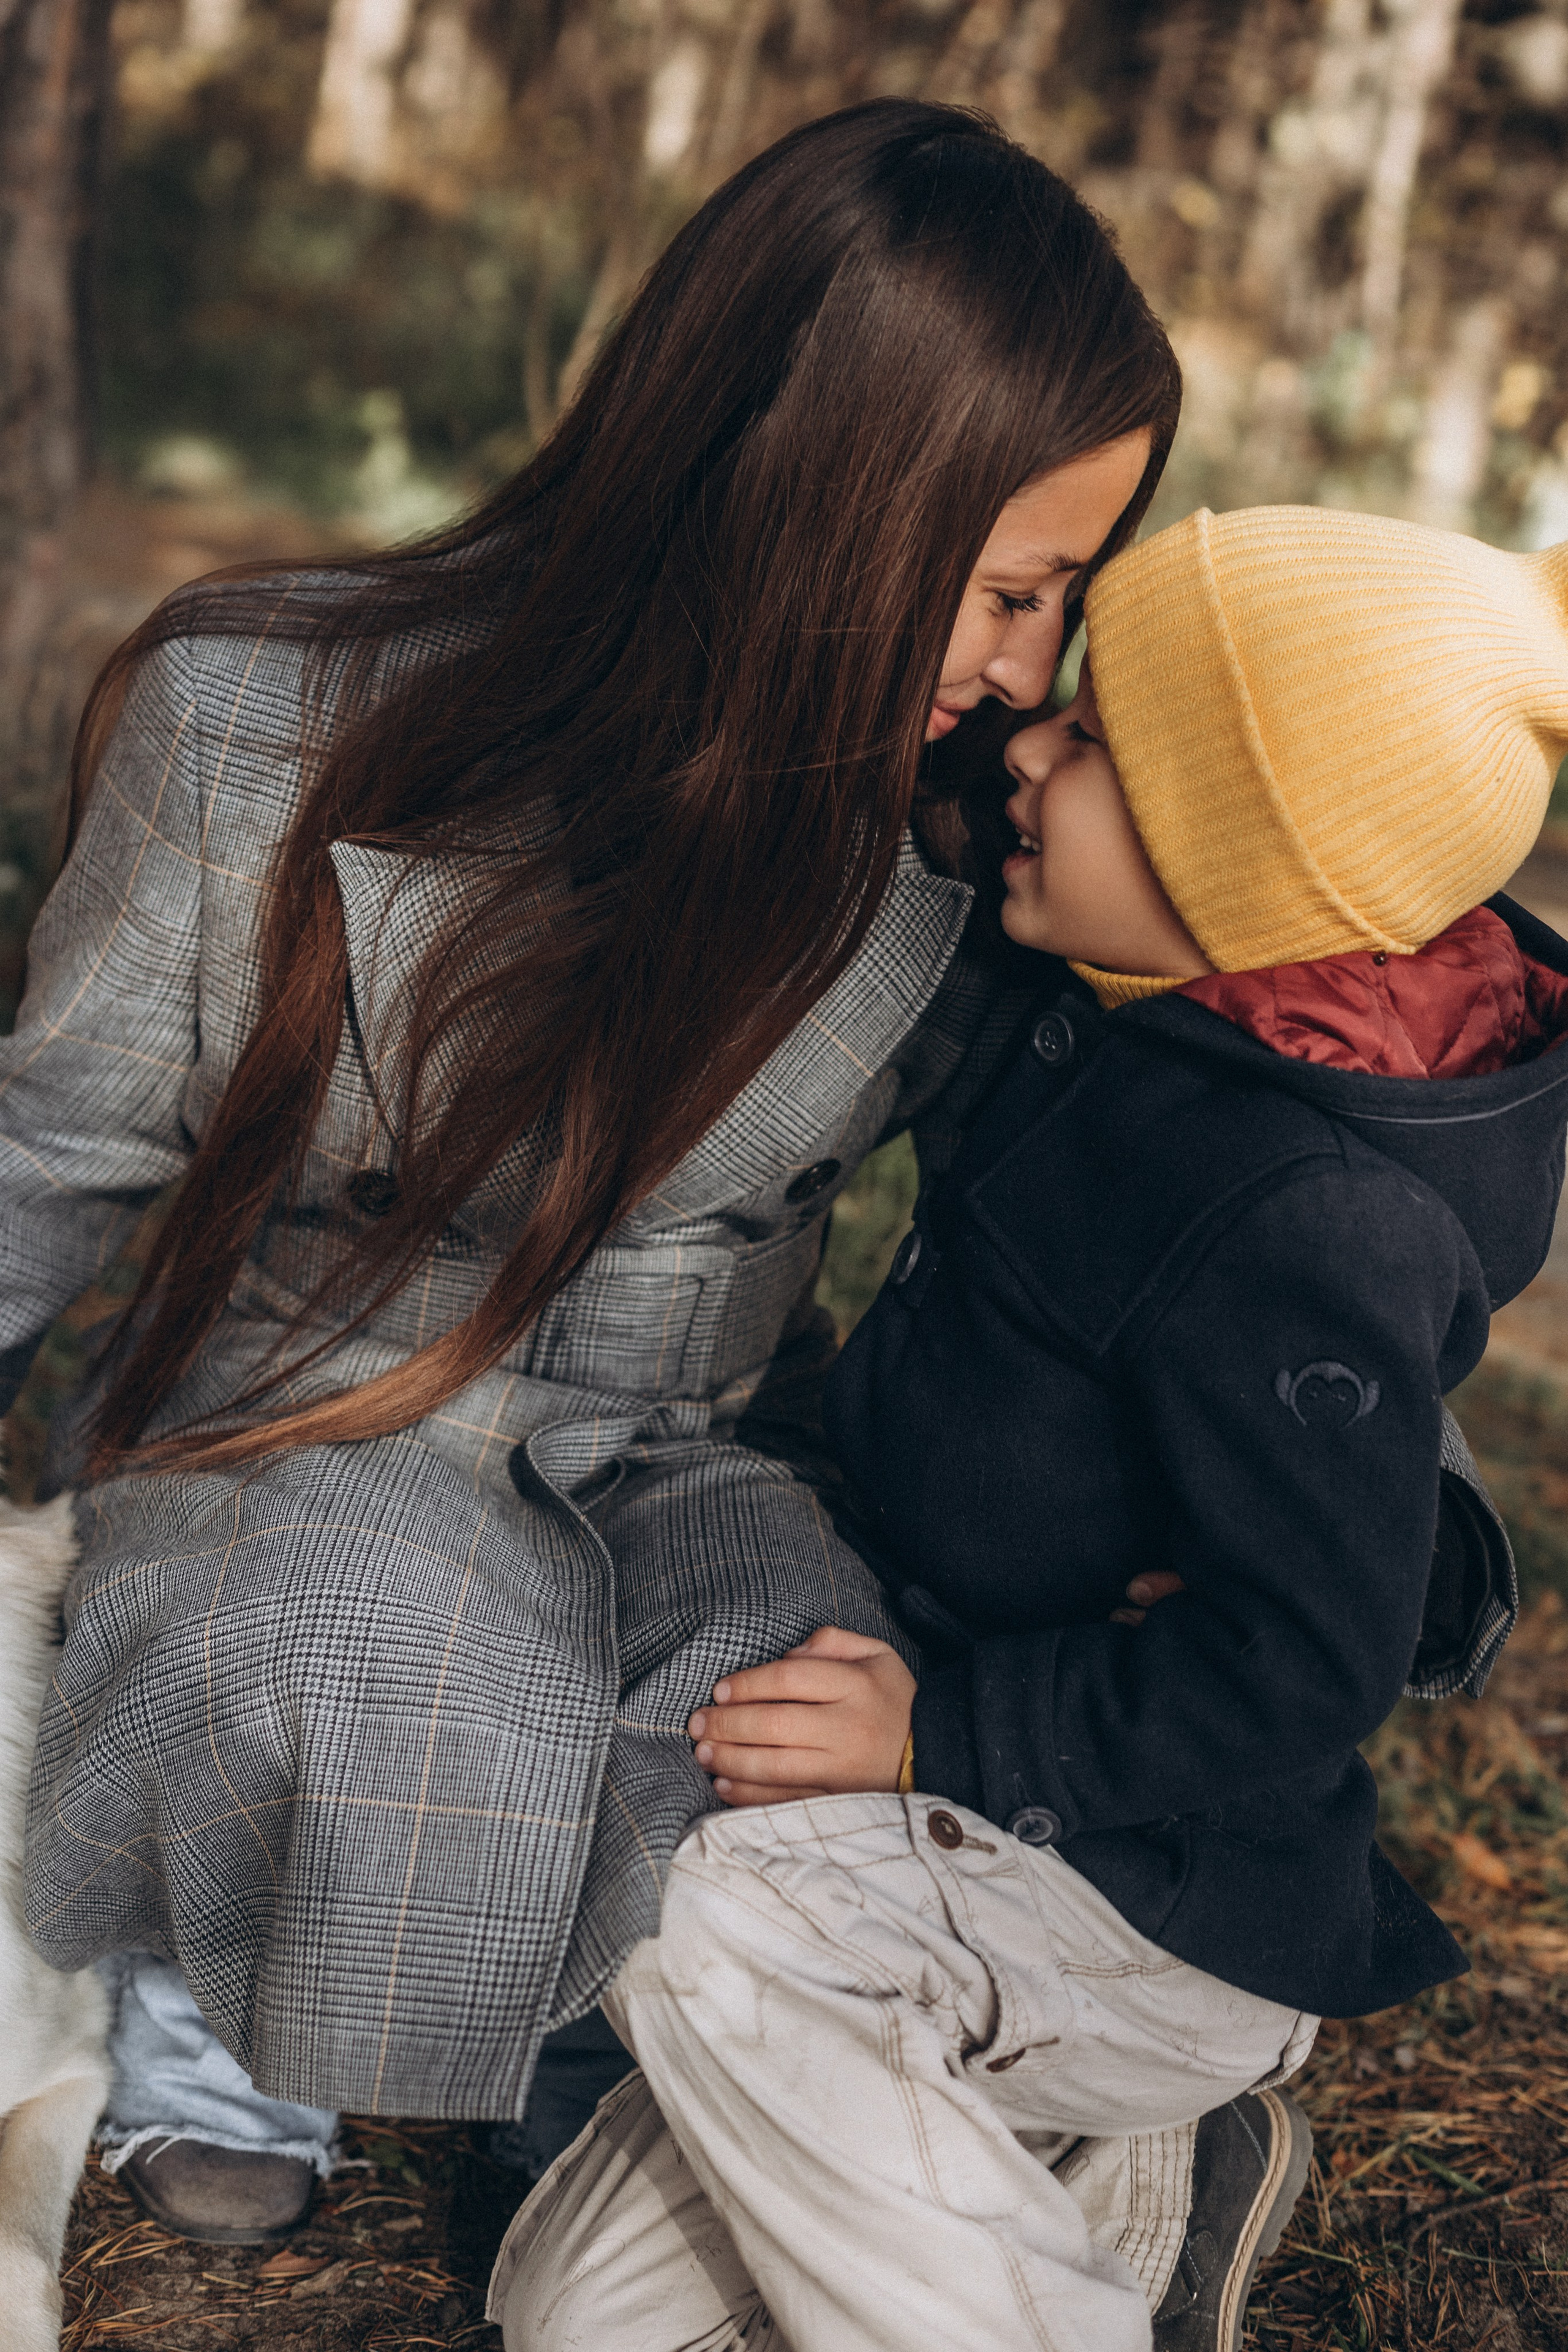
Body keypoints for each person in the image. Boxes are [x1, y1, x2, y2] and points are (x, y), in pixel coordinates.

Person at [2, 102, 1189, 2246]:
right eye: (1010, 590)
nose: (1029, 670)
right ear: (817, 510)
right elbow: (56, 1146)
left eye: (1067, 602)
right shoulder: (260, 724)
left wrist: (1265, 1503)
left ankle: (640, 2082)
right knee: (356, 1635)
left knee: (792, 1705)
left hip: (678, 1448)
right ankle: (227, 1974)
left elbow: (1144, 1213)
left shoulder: (950, 847)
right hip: (318, 1411)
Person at [492, 502, 1559, 2352]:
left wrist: (945, 1731)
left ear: (1240, 862)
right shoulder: (1147, 1017)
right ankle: (1131, 2176)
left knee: (716, 1909)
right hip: (980, 1868)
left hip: (1148, 1897)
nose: (1033, 748)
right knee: (571, 2320)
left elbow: (1308, 1656)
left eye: (1102, 745)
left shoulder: (1308, 1219)